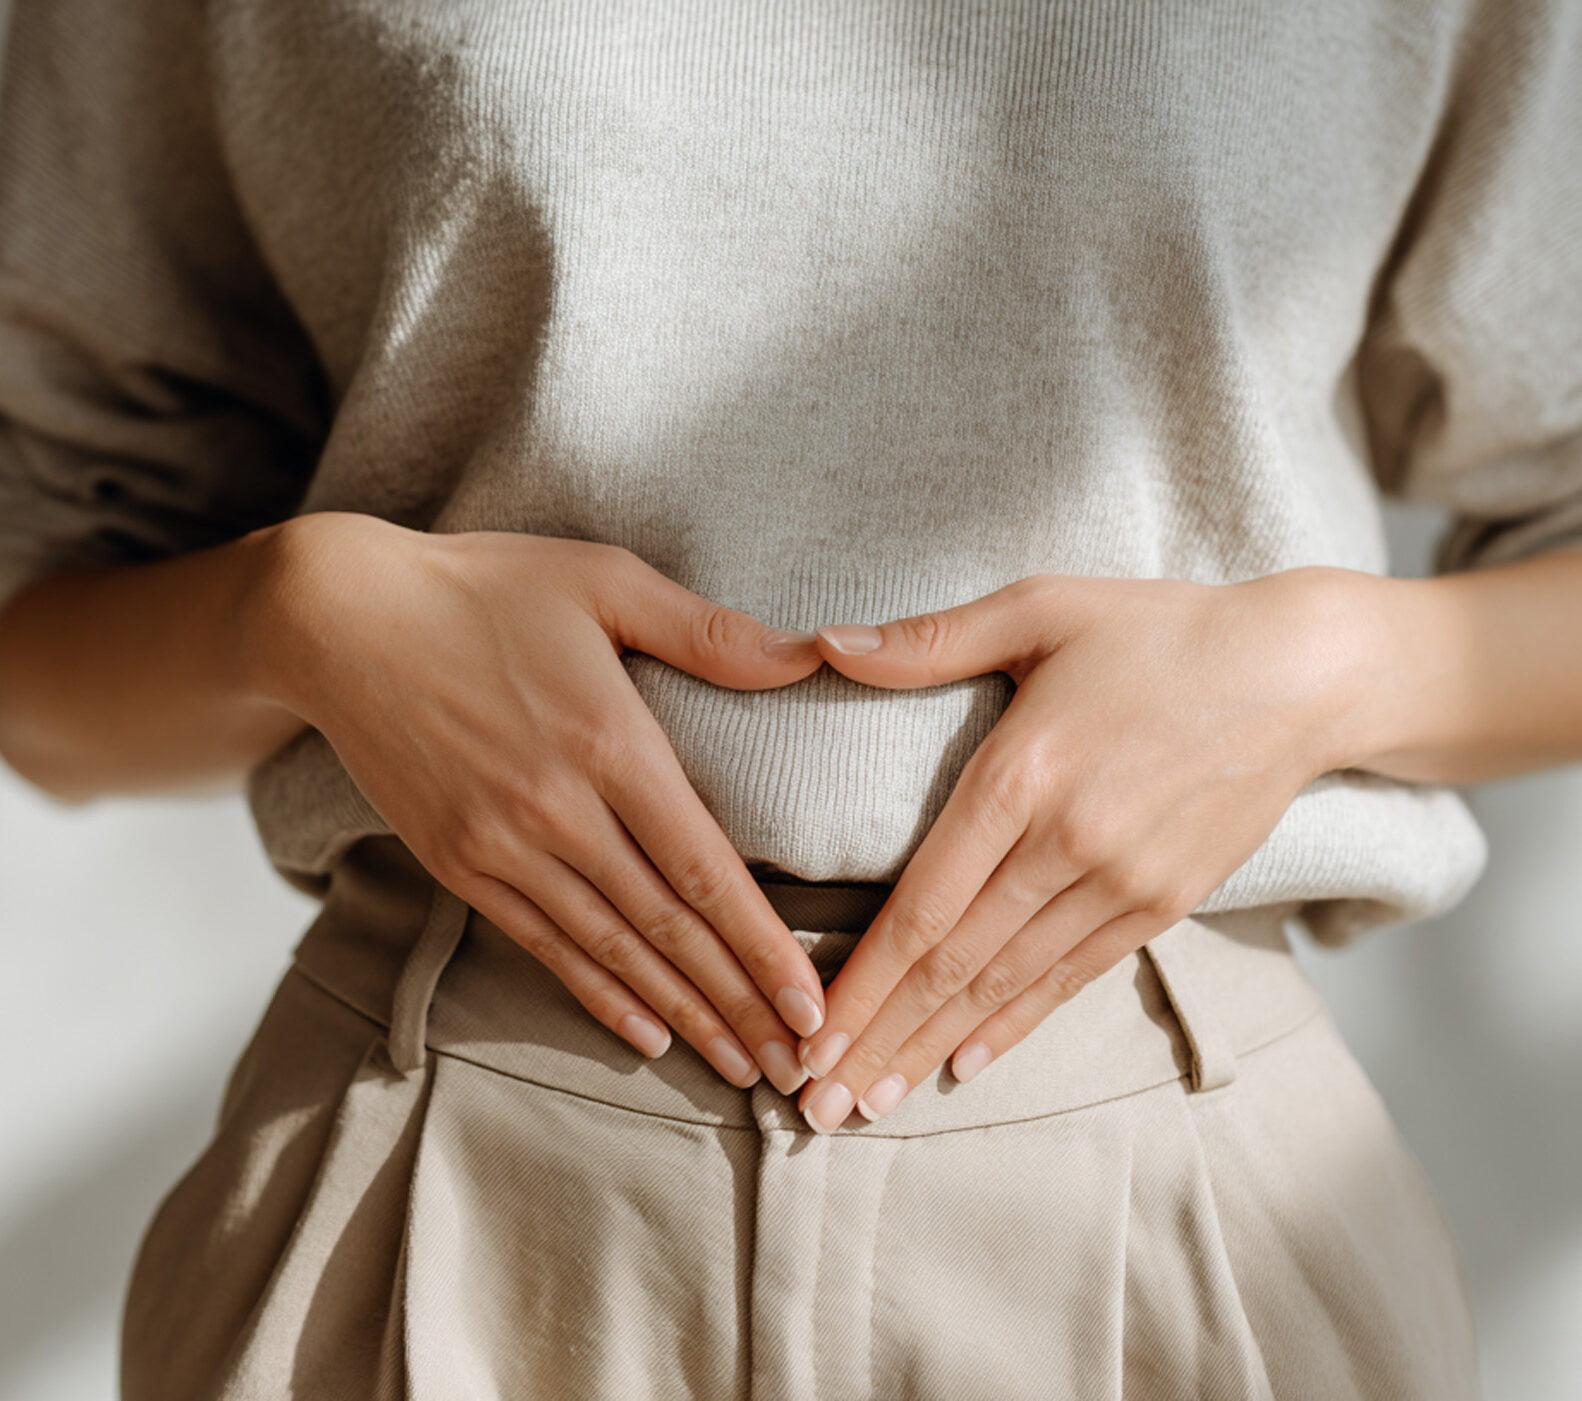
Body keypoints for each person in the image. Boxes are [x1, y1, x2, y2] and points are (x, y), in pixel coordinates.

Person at [0, 0, 1578, 1397]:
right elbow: (43, 645)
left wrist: (1323, 670)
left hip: (1172, 1192)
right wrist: (295, 612)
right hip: (446, 1175)